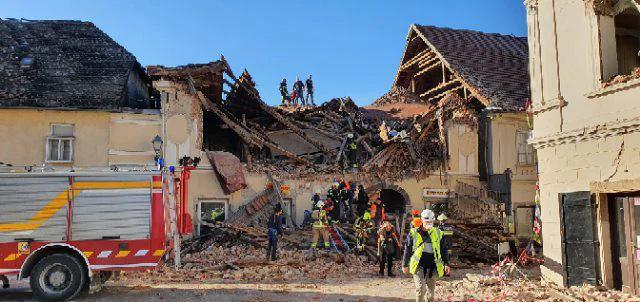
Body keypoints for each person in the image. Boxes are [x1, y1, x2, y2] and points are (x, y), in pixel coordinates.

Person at [402, 209, 450, 302]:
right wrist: (405, 264)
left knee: (431, 294)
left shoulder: (439, 233)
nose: (429, 223)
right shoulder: (413, 232)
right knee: (421, 290)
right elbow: (407, 249)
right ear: (422, 220)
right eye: (427, 221)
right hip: (418, 266)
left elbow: (443, 250)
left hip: (433, 267)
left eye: (431, 221)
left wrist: (446, 263)